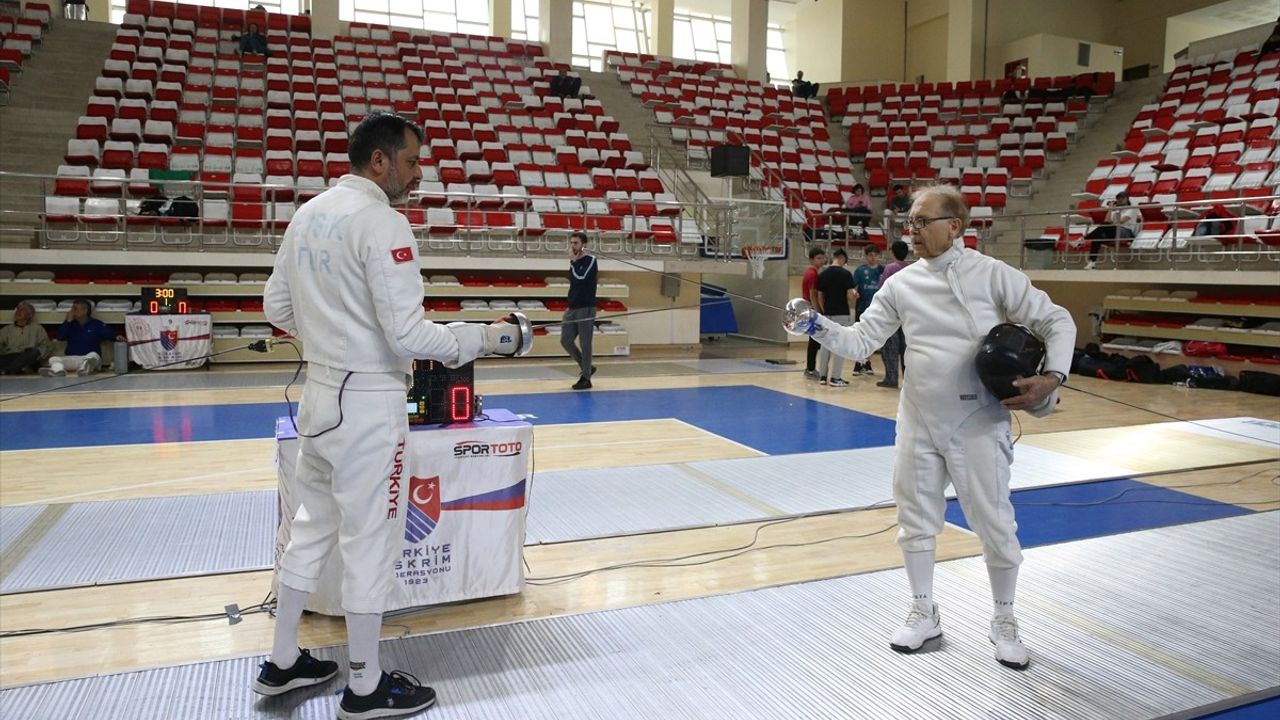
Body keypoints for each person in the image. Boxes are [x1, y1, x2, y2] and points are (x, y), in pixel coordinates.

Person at [259, 112, 520, 719]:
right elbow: (407, 334)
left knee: (310, 526)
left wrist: (331, 340)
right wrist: (484, 338)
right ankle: (365, 686)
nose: (417, 172)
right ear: (379, 161)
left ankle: (282, 660)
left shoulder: (308, 213)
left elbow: (276, 305)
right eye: (410, 161)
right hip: (369, 407)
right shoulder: (382, 221)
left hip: (319, 397)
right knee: (369, 542)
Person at [795, 184, 1075, 670]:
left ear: (955, 226)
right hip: (919, 419)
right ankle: (924, 611)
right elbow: (861, 342)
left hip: (977, 420)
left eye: (923, 221)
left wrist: (1052, 378)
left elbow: (1058, 321)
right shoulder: (901, 284)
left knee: (995, 524)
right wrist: (813, 325)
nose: (913, 230)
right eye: (911, 222)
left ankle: (1004, 619)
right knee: (915, 521)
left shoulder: (993, 275)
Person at [40, 300, 122, 377]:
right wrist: (68, 321)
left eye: (75, 309)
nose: (72, 311)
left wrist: (117, 337)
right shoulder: (69, 324)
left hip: (90, 358)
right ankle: (58, 371)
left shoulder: (96, 324)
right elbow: (60, 337)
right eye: (72, 309)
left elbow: (111, 335)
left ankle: (84, 369)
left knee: (93, 356)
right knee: (54, 359)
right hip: (72, 358)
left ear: (85, 311)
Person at [813, 248, 856, 388]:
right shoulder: (846, 274)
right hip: (842, 313)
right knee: (840, 345)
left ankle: (822, 376)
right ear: (842, 259)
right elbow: (850, 295)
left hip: (827, 314)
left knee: (825, 344)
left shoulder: (823, 274)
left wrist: (823, 310)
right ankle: (835, 377)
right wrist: (854, 296)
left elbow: (820, 295)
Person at [561, 230, 598, 390]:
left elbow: (581, 278)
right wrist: (573, 263)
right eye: (571, 243)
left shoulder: (591, 260)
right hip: (572, 307)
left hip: (586, 307)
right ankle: (586, 366)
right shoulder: (574, 262)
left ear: (584, 244)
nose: (573, 246)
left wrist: (573, 262)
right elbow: (574, 280)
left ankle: (586, 378)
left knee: (585, 343)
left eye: (576, 243)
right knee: (566, 340)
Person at [876, 241, 911, 389]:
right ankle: (908, 378)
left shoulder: (890, 268)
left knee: (890, 347)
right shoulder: (911, 268)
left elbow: (882, 289)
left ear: (893, 252)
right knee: (906, 348)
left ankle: (891, 378)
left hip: (892, 313)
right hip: (906, 313)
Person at [1083, 191, 1140, 269]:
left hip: (1126, 231)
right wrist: (1110, 209)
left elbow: (1121, 221)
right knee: (1097, 238)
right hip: (1113, 231)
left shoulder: (1131, 209)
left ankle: (1083, 239)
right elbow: (1106, 221)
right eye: (1118, 198)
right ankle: (1092, 263)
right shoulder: (1115, 210)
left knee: (1106, 227)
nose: (1120, 200)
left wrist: (1111, 221)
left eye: (1122, 198)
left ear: (1127, 199)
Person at [851, 244, 884, 376]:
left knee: (873, 337)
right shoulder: (860, 270)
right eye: (870, 255)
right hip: (862, 307)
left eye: (875, 255)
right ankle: (858, 363)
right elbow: (852, 287)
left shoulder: (883, 270)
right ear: (866, 256)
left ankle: (867, 362)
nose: (873, 258)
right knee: (860, 335)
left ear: (879, 256)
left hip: (877, 309)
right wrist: (854, 293)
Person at [0, 301, 53, 374]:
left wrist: (38, 354)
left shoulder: (37, 328)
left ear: (29, 315)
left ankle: (9, 369)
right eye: (18, 309)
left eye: (22, 310)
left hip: (30, 357)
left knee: (34, 353)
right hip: (12, 356)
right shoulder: (6, 329)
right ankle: (18, 368)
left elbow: (46, 346)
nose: (18, 311)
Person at [802, 245, 827, 380]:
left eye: (823, 258)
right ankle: (810, 369)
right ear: (811, 260)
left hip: (809, 308)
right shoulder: (812, 274)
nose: (821, 261)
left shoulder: (812, 272)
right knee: (814, 341)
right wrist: (819, 311)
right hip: (812, 309)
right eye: (818, 258)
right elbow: (813, 295)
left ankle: (810, 368)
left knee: (814, 341)